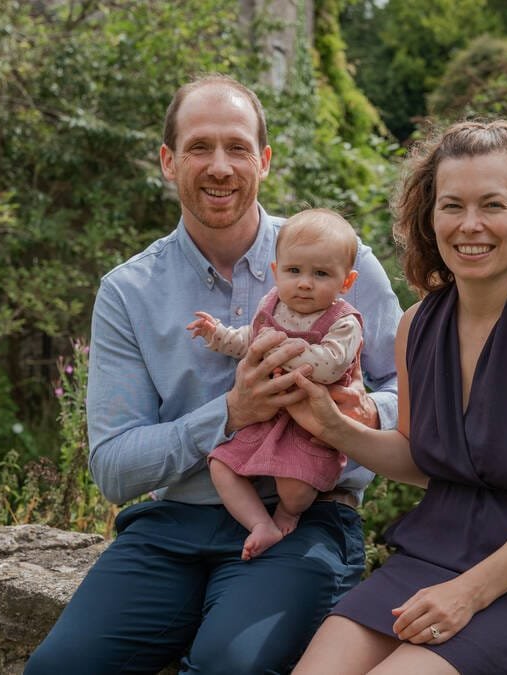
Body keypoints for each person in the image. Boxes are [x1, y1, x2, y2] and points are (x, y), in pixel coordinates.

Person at [24, 74, 402, 674]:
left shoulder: (340, 263)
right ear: (169, 162)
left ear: (265, 161)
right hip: (171, 528)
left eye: (237, 147)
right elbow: (114, 468)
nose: (220, 166)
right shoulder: (128, 292)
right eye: (200, 147)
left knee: (230, 667)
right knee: (59, 669)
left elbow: (413, 395)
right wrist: (229, 415)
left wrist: (354, 414)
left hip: (304, 520)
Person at [286, 119, 507, 675]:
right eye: (452, 206)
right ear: (429, 217)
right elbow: (422, 459)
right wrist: (333, 427)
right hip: (434, 554)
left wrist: (467, 594)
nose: (470, 225)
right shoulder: (416, 326)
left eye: (492, 205)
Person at [187, 208, 364, 560]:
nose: (304, 282)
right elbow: (248, 340)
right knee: (221, 465)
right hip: (264, 418)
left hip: (310, 425)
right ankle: (259, 524)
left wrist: (276, 350)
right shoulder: (273, 305)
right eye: (294, 271)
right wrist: (218, 335)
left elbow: (328, 366)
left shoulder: (344, 322)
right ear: (275, 272)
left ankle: (287, 513)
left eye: (321, 274)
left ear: (346, 282)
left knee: (295, 488)